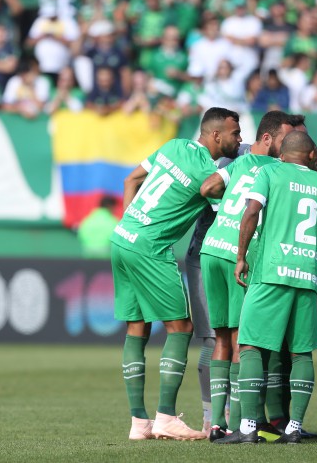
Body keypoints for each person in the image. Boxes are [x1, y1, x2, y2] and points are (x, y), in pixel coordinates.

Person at [113, 107, 242, 441]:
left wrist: (134, 225)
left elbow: (131, 179)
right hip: (150, 247)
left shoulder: (172, 146)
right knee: (181, 327)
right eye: (235, 133)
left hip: (123, 236)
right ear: (217, 135)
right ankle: (166, 417)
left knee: (137, 327)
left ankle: (139, 422)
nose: (238, 139)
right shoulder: (209, 178)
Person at [216, 130, 317, 444]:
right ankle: (294, 428)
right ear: (310, 155)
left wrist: (241, 257)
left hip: (271, 271)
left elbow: (251, 211)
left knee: (250, 345)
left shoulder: (269, 172)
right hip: (308, 276)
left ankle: (248, 428)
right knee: (300, 353)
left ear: (283, 152)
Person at [197, 110, 299, 441]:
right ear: (268, 138)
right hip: (237, 254)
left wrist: (226, 208)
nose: (289, 145)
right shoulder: (278, 169)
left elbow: (208, 186)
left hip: (211, 249)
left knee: (222, 339)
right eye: (285, 139)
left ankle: (216, 422)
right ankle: (242, 425)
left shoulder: (239, 163)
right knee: (245, 340)